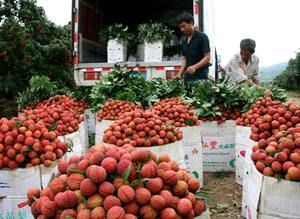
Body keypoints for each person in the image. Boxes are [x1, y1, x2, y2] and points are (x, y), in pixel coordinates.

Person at [177, 12, 211, 83]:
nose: (182, 29)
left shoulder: (202, 37)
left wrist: (194, 67)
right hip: (188, 77)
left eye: (184, 26)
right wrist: (181, 72)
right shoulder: (184, 40)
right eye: (180, 27)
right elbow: (184, 58)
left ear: (191, 23)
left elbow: (207, 57)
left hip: (200, 78)